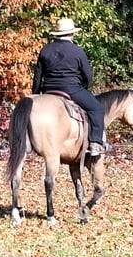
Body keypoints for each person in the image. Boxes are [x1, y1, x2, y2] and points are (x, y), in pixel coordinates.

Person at [32, 18, 108, 156]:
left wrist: (36, 94)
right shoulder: (77, 51)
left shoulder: (46, 50)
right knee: (97, 108)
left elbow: (37, 76)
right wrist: (84, 87)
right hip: (72, 90)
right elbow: (87, 75)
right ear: (71, 34)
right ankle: (95, 143)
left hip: (48, 91)